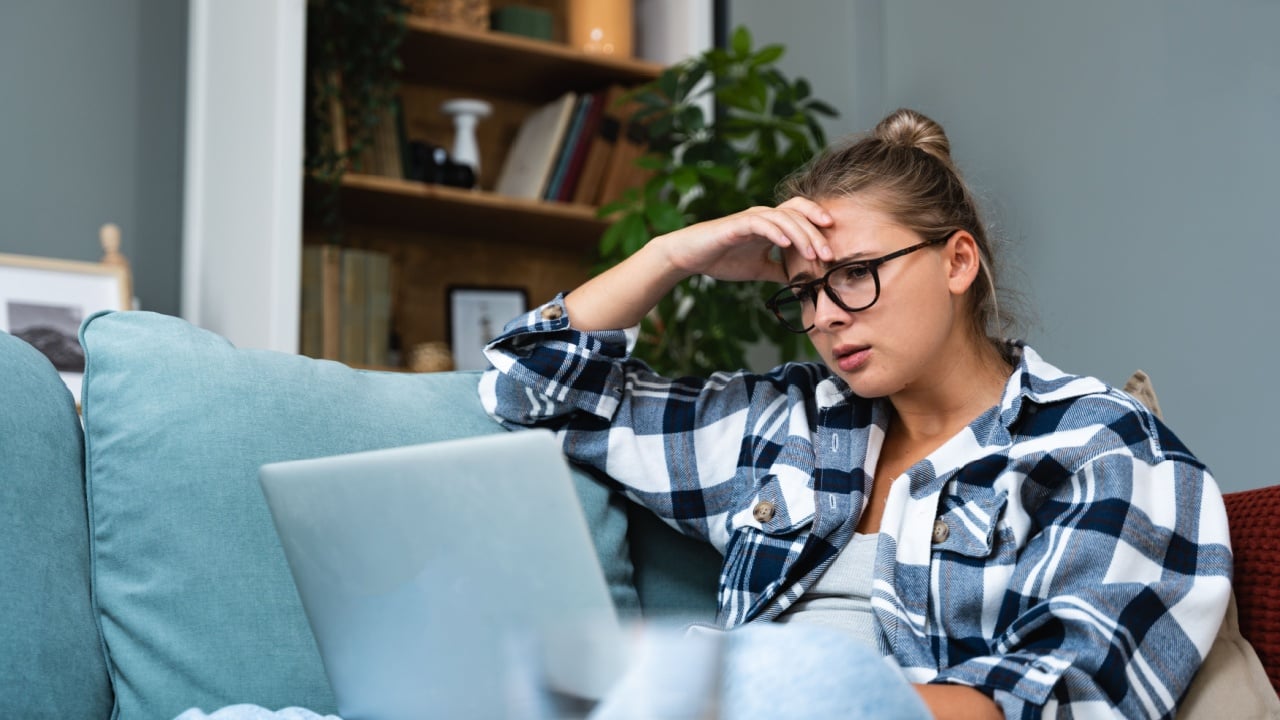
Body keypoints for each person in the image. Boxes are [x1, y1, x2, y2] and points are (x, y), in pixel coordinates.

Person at [479, 108, 1232, 719]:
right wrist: (672, 256)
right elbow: (532, 386)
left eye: (856, 276)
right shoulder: (788, 425)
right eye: (806, 290)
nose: (827, 315)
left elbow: (1063, 699)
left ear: (958, 262)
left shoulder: (1102, 448)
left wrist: (787, 700)